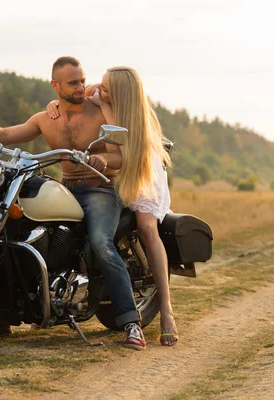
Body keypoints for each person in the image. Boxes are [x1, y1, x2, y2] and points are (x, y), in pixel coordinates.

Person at [0, 57, 147, 350]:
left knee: (102, 243)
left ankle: (131, 322)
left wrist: (103, 159)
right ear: (55, 85)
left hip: (100, 190)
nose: (81, 87)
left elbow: (121, 156)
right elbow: (4, 135)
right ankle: (2, 318)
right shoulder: (45, 118)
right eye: (73, 82)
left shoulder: (101, 113)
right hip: (66, 189)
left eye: (82, 81)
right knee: (10, 235)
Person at [46, 66, 178, 346]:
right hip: (111, 176)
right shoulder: (99, 93)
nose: (96, 89)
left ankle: (166, 310)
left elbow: (136, 159)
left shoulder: (140, 118)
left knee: (146, 226)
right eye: (100, 85)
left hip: (141, 171)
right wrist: (53, 105)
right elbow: (70, 99)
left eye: (105, 89)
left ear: (121, 94)